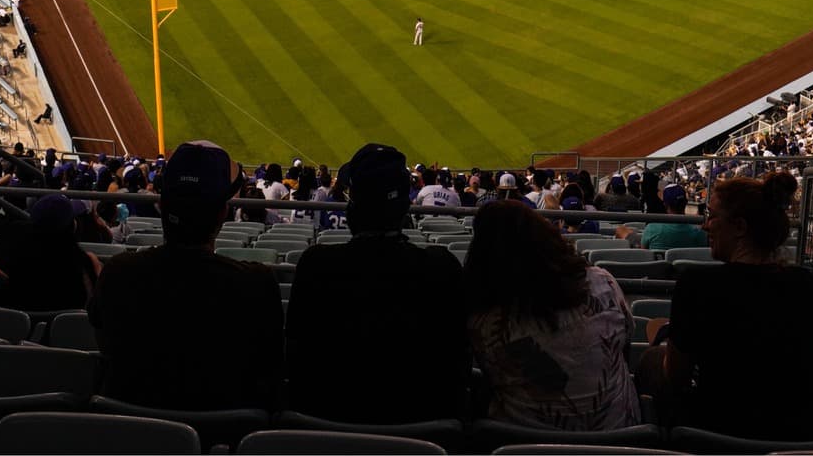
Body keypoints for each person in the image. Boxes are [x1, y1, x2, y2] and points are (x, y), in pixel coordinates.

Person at [90, 140, 282, 410]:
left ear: (163, 207)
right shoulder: (257, 285)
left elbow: (106, 349)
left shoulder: (117, 273)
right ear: (222, 215)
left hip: (131, 438)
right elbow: (268, 371)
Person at [287, 143, 467, 422]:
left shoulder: (316, 265)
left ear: (353, 206)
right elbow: (458, 368)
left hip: (325, 432)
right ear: (406, 206)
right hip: (425, 432)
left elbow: (296, 361)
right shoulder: (441, 267)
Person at [654, 171, 813, 440]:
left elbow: (676, 378)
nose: (705, 226)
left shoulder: (697, 284)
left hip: (714, 435)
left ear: (740, 227)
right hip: (794, 439)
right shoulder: (806, 284)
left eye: (712, 216)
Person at [466, 198, 639, 431]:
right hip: (623, 439)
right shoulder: (602, 282)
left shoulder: (481, 320)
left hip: (521, 445)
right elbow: (624, 349)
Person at [0, 192, 100, 312]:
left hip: (15, 327)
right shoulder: (84, 262)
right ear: (72, 226)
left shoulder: (10, 253)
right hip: (67, 329)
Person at [620, 184, 707, 251]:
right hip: (688, 273)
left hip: (657, 273)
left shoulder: (652, 228)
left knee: (621, 230)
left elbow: (643, 253)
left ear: (665, 204)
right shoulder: (699, 232)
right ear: (685, 202)